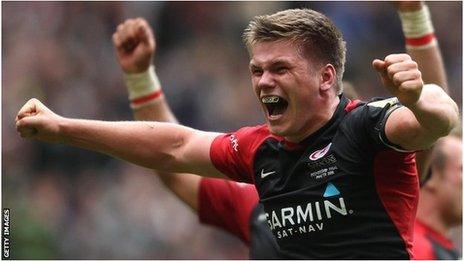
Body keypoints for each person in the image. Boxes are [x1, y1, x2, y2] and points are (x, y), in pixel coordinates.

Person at [15, 7, 459, 259]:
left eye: (279, 68)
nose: (263, 82)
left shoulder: (368, 129)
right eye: (256, 70)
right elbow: (174, 149)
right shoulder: (258, 154)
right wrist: (64, 127)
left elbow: (442, 121)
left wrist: (417, 96)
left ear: (327, 79)